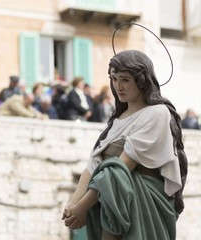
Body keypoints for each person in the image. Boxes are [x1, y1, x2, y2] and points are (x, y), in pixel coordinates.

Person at [62, 50, 188, 240]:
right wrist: (72, 205)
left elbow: (119, 170)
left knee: (113, 172)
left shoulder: (157, 113)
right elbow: (93, 166)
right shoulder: (115, 120)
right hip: (110, 202)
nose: (118, 86)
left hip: (141, 203)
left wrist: (82, 207)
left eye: (125, 79)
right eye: (113, 79)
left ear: (142, 80)